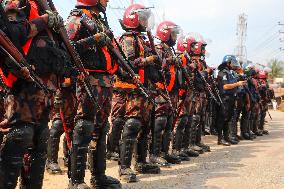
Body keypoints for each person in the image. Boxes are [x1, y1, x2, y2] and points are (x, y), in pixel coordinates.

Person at [65, 0, 121, 188]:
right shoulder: (76, 18)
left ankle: (98, 176)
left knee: (101, 128)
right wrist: (93, 39)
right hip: (87, 79)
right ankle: (76, 181)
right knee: (84, 127)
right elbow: (67, 47)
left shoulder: (99, 20)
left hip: (105, 83)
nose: (107, 1)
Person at [116, 3, 160, 182]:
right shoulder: (128, 38)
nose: (145, 21)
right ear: (133, 19)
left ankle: (141, 162)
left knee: (145, 126)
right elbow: (129, 63)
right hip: (133, 90)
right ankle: (124, 167)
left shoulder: (142, 38)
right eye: (142, 17)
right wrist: (149, 59)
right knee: (132, 125)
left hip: (145, 90)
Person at [149, 20, 183, 167]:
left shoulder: (170, 49)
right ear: (166, 33)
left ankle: (164, 152)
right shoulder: (158, 47)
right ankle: (154, 154)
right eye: (173, 34)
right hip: (160, 91)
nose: (175, 37)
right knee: (159, 122)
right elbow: (157, 64)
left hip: (172, 92)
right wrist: (170, 60)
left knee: (169, 123)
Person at [216, 55, 246, 146]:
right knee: (223, 118)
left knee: (228, 118)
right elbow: (225, 86)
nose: (233, 65)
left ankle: (226, 137)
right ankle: (220, 139)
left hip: (231, 98)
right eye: (232, 63)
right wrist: (237, 84)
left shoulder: (230, 73)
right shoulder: (223, 73)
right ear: (227, 63)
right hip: (225, 98)